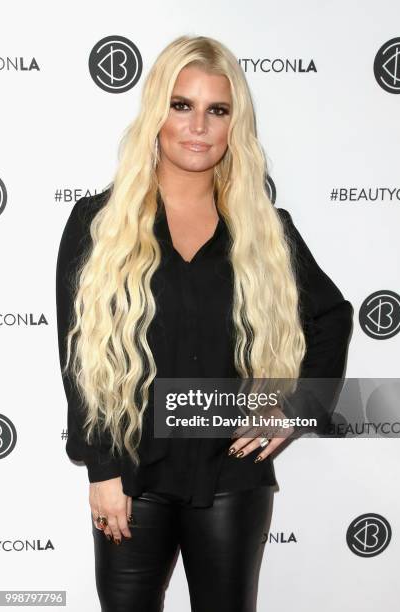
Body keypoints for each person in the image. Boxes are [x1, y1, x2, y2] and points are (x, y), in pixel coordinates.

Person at [56, 35, 353, 612]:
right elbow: (79, 360)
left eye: (217, 110)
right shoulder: (98, 223)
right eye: (182, 105)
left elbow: (332, 317)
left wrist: (292, 406)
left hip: (233, 477)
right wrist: (102, 472)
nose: (198, 126)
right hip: (133, 476)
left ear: (233, 125)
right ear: (156, 116)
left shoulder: (266, 231)